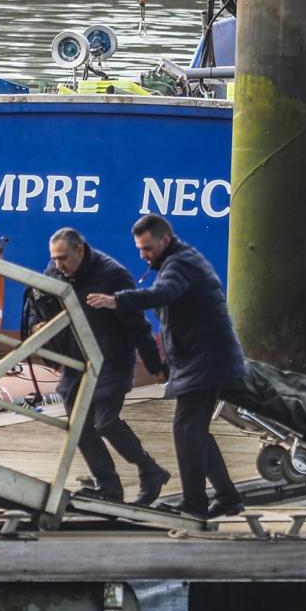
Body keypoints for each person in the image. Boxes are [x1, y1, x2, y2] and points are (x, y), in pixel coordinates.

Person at [86, 214, 245, 520]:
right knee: (195, 431)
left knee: (187, 430)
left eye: (147, 249)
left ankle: (195, 504)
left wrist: (116, 300)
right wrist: (165, 363)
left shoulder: (179, 264)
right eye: (139, 249)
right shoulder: (177, 262)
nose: (142, 256)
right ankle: (226, 497)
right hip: (200, 360)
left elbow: (164, 294)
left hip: (207, 361)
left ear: (165, 241)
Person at [32, 227, 170, 506]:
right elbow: (40, 303)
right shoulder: (55, 272)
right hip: (77, 361)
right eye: (54, 259)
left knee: (105, 420)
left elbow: (137, 325)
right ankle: (108, 487)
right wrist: (37, 323)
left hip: (112, 360)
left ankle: (150, 470)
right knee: (78, 425)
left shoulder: (112, 275)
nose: (58, 265)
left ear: (80, 250)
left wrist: (155, 364)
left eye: (63, 258)